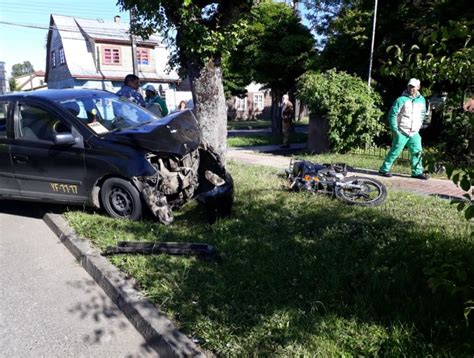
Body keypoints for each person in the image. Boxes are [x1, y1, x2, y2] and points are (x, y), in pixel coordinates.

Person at [379, 78, 429, 180]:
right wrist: (395, 130)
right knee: (395, 151)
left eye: (413, 87)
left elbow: (423, 114)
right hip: (402, 130)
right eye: (409, 86)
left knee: (417, 152)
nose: (411, 89)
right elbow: (392, 115)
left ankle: (417, 172)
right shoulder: (400, 100)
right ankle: (384, 169)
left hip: (414, 132)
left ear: (418, 87)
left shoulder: (422, 100)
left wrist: (419, 126)